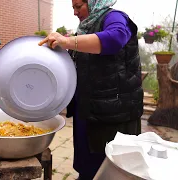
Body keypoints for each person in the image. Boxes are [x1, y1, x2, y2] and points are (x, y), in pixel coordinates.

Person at [39, 0, 143, 179]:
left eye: (79, 6)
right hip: (88, 109)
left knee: (108, 169)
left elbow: (116, 38)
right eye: (73, 7)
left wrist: (68, 41)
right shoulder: (86, 28)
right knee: (87, 163)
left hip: (113, 114)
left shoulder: (114, 17)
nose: (75, 12)